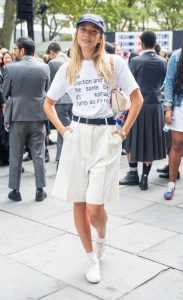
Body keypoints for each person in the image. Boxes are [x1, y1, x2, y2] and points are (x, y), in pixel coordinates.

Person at [44, 13, 143, 283]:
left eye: (93, 31)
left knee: (95, 209)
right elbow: (48, 103)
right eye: (83, 29)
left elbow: (137, 99)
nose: (87, 34)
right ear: (77, 34)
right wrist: (63, 130)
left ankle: (102, 236)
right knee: (79, 201)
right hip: (78, 134)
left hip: (106, 135)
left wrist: (122, 131)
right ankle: (91, 258)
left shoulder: (114, 63)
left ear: (100, 37)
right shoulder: (68, 68)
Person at [2, 37, 50, 202]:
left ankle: (15, 191)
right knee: (38, 153)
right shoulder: (44, 67)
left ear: (22, 50)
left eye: (16, 49)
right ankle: (40, 190)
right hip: (38, 115)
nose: (14, 52)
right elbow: (46, 91)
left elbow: (5, 93)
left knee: (15, 154)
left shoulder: (10, 68)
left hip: (17, 116)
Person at [120, 31, 167, 190]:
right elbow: (162, 83)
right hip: (155, 106)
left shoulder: (135, 61)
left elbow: (128, 85)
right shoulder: (163, 61)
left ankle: (133, 173)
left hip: (137, 105)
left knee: (131, 139)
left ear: (141, 43)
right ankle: (145, 178)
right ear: (155, 42)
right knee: (151, 141)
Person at [47, 42, 73, 165]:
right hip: (72, 100)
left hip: (59, 101)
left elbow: (51, 84)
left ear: (52, 52)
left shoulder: (52, 63)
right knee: (70, 129)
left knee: (62, 131)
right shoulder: (71, 60)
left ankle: (62, 160)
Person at [163, 43, 183, 200]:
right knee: (177, 144)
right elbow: (169, 83)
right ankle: (171, 183)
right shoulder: (177, 56)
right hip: (179, 104)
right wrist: (168, 109)